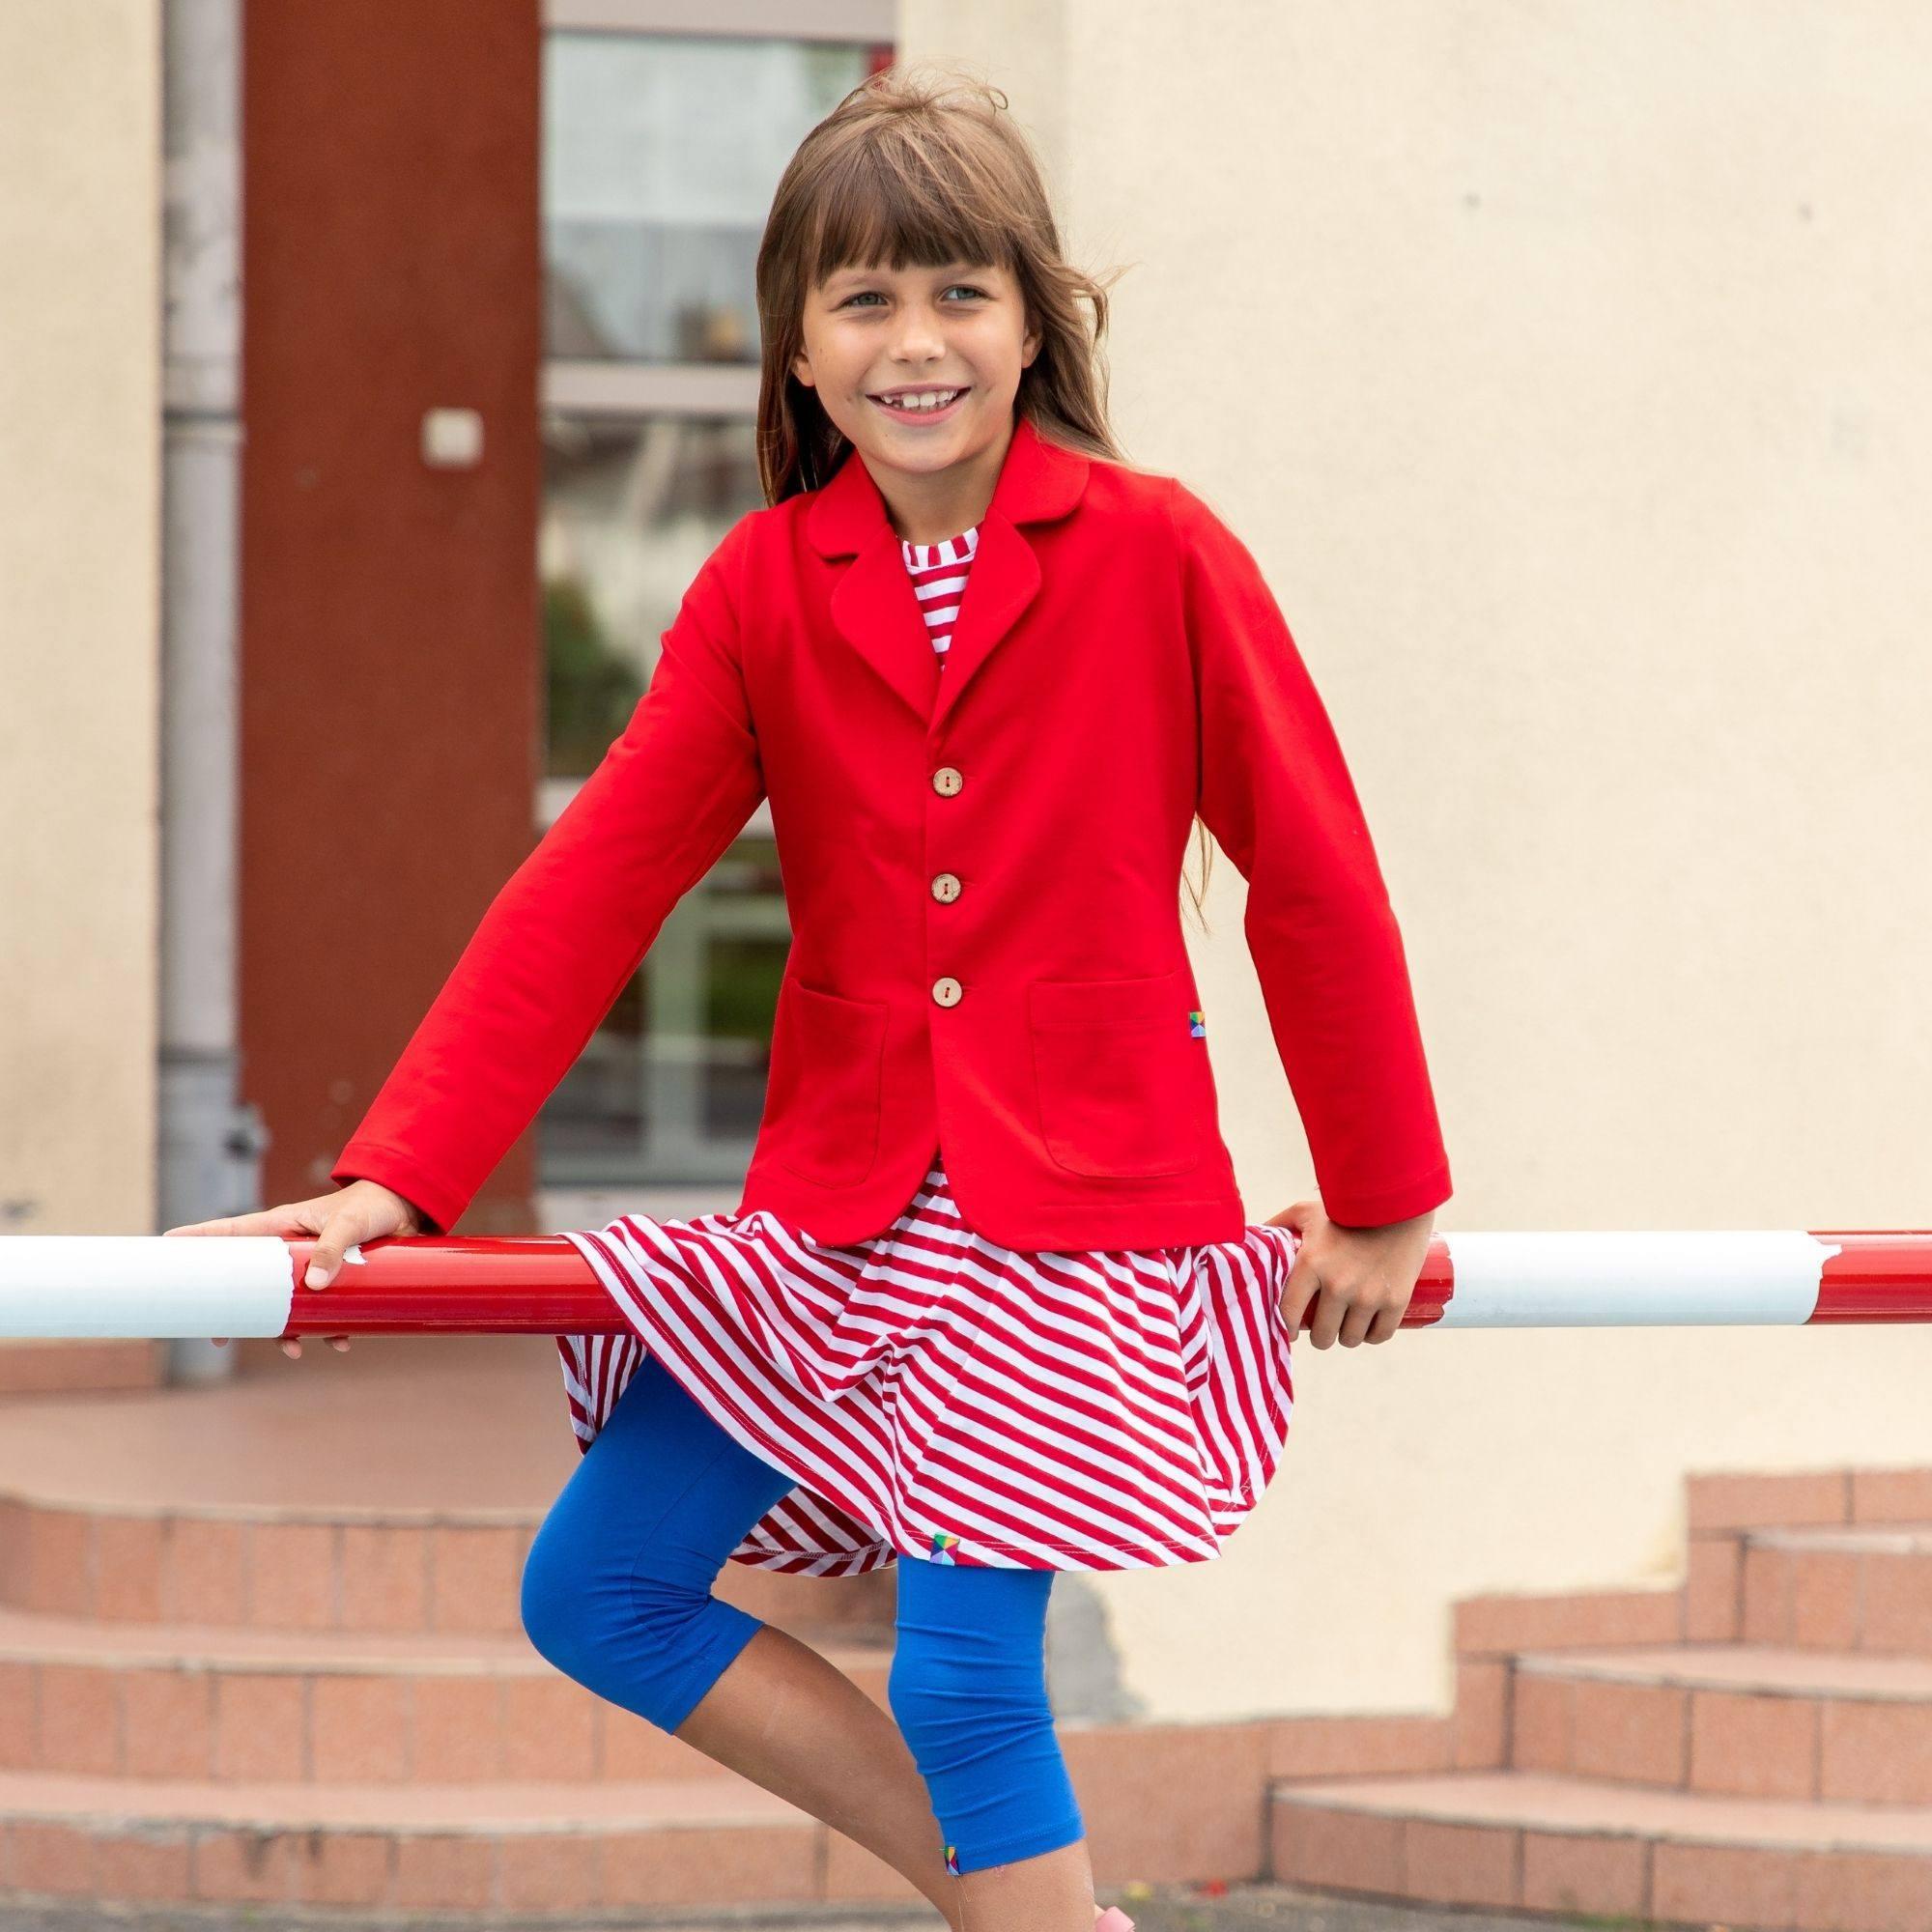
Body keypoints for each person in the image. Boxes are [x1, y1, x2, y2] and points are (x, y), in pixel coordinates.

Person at [167, 62, 1451, 1932]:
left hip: (1074, 1214)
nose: (911, 341)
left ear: (1033, 323)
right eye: (860, 301)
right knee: (596, 1591)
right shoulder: (771, 580)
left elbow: (1312, 874)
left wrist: (1383, 1190)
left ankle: (1035, 1915)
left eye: (955, 293)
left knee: (957, 1670)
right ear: (790, 348)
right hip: (844, 1213)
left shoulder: (1159, 548)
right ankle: (1033, 1907)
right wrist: (398, 1175)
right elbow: (593, 879)